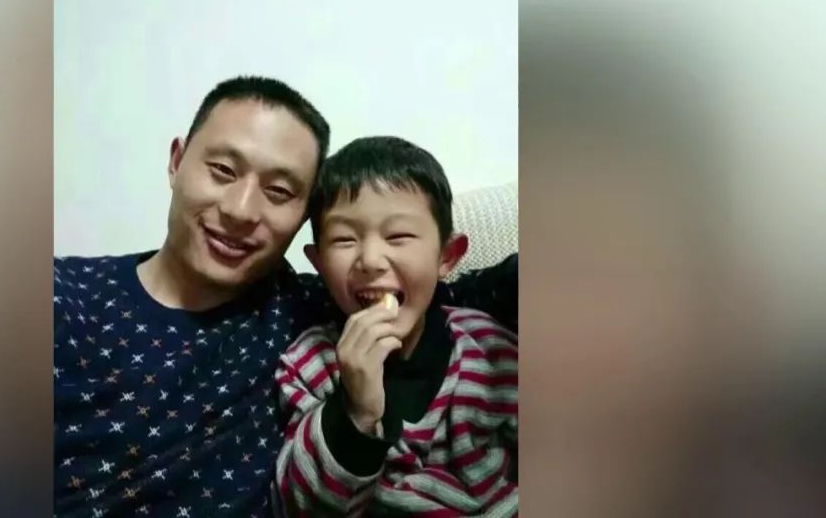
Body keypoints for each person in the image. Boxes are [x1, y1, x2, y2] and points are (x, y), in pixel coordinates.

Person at [54, 76, 517, 517]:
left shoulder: (306, 305)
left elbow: (471, 293)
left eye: (278, 191)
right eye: (222, 170)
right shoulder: (60, 296)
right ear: (177, 160)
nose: (240, 210)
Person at [274, 136, 518, 517]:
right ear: (318, 264)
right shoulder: (308, 366)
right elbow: (300, 505)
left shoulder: (489, 349)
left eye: (398, 236)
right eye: (344, 239)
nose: (371, 260)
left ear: (447, 257)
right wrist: (354, 410)